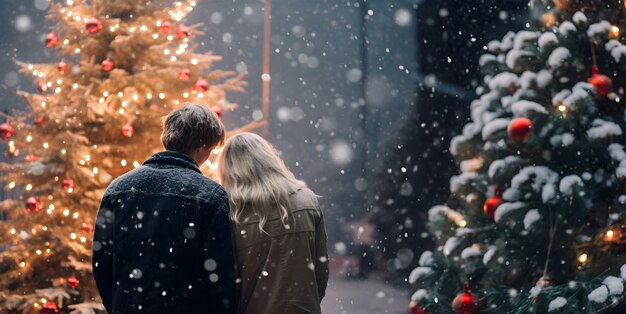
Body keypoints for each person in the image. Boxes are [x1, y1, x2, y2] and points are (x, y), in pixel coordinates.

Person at [92, 103, 237, 314]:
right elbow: (219, 278)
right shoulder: (210, 196)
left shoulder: (118, 189)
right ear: (203, 145)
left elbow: (102, 264)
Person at [217, 132, 329, 314]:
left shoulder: (228, 211)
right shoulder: (306, 200)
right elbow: (321, 269)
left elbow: (223, 281)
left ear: (227, 167)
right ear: (269, 158)